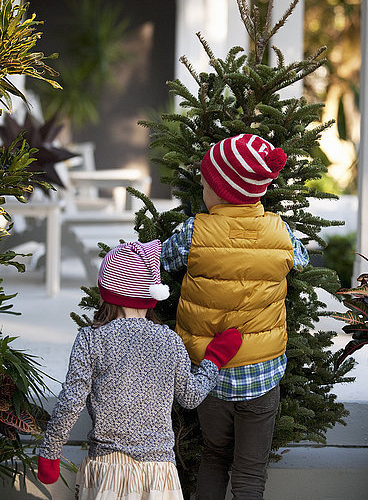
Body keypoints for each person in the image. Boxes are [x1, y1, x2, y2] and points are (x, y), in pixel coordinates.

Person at [161, 133, 309, 500]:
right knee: (250, 472)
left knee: (214, 457)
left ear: (221, 190)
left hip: (209, 372)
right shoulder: (281, 232)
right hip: (263, 372)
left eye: (206, 181)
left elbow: (163, 261)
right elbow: (301, 260)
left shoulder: (194, 231)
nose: (201, 187)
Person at [37, 239, 242, 500]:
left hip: (108, 471)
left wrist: (50, 451)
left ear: (107, 292)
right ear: (150, 294)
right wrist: (214, 359)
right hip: (159, 475)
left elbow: (71, 401)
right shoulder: (168, 340)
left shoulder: (91, 339)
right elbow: (190, 397)